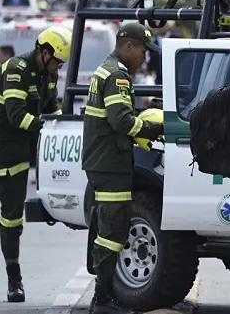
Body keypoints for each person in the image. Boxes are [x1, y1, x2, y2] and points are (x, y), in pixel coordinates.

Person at [82, 22, 163, 314]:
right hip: (109, 163)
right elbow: (123, 122)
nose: (144, 57)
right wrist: (154, 128)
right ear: (128, 46)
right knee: (112, 231)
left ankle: (103, 298)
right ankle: (102, 300)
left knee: (111, 227)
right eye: (143, 50)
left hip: (105, 161)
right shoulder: (117, 76)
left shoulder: (108, 69)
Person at [0, 26, 71, 302]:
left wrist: (62, 127)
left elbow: (52, 108)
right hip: (5, 141)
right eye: (57, 61)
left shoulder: (48, 75)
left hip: (15, 153)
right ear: (44, 52)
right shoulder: (17, 68)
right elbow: (17, 115)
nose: (59, 68)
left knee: (12, 220)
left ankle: (14, 281)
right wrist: (47, 130)